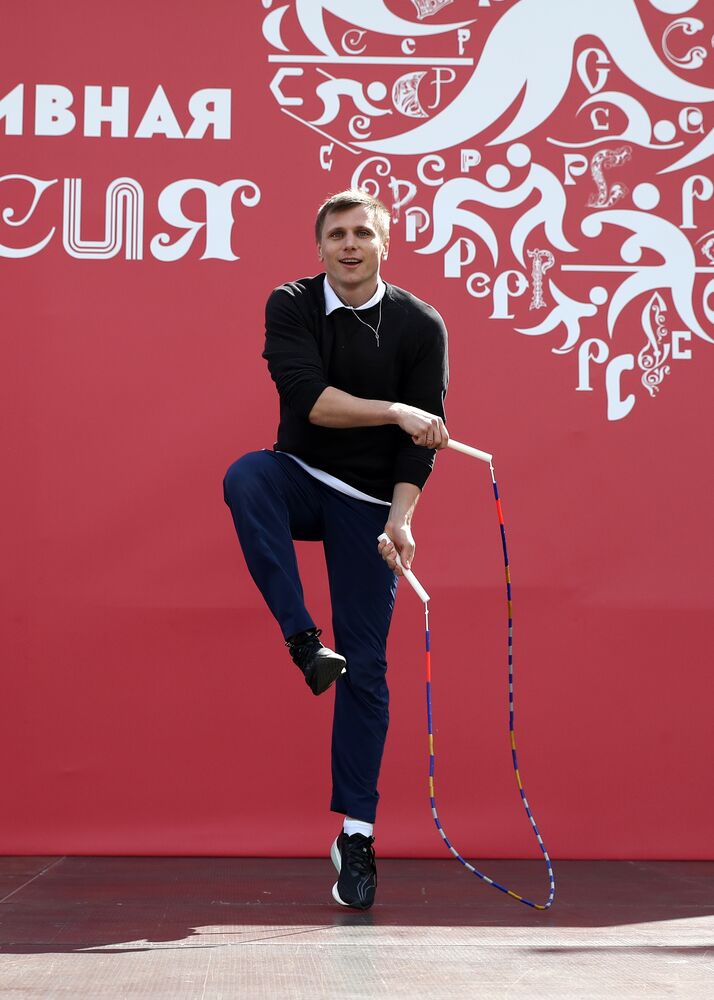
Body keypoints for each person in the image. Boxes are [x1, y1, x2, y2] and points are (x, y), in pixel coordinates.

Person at [222, 188, 449, 910]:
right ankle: (302, 642)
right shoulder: (291, 304)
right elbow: (311, 401)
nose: (350, 245)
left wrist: (401, 520)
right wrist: (396, 410)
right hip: (299, 476)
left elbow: (421, 446)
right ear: (319, 247)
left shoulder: (420, 324)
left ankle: (356, 835)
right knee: (246, 476)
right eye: (337, 235)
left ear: (385, 243)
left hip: (370, 505)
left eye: (362, 233)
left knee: (369, 668)